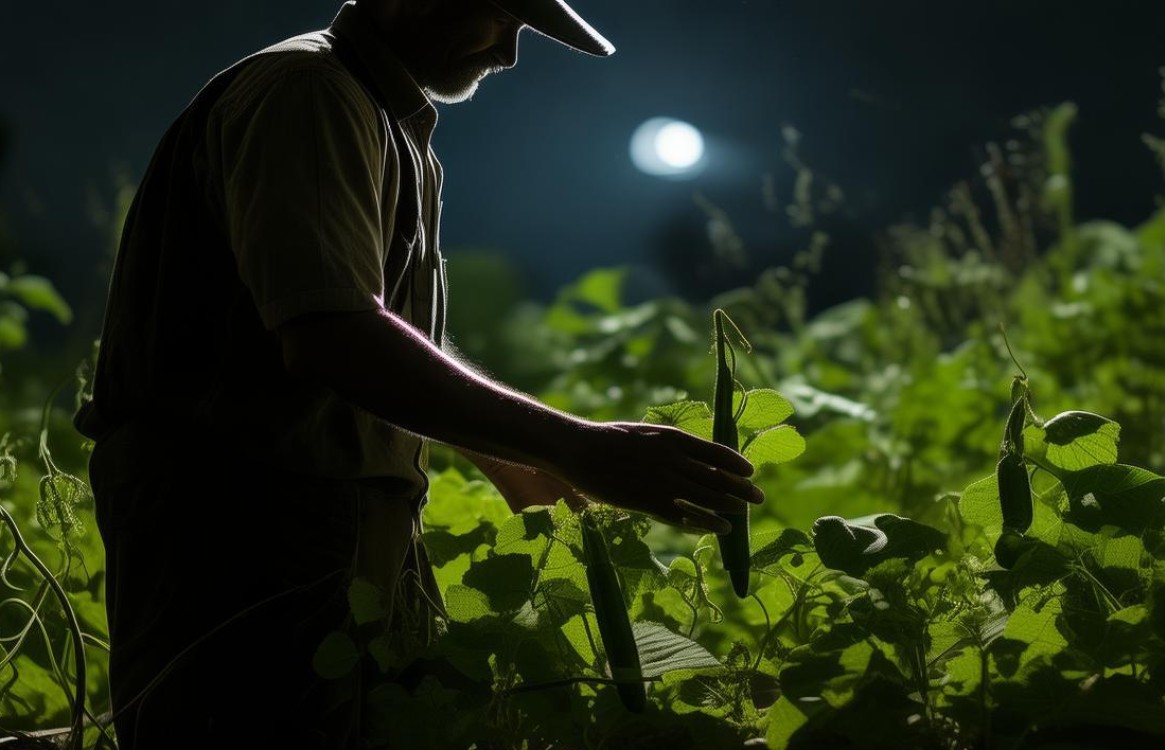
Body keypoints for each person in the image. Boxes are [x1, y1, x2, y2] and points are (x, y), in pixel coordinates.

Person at [73, 0, 763, 746]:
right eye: (497, 16)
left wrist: (513, 454)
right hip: (240, 528)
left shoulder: (391, 126)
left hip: (342, 529)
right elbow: (331, 333)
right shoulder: (306, 93)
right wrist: (572, 444)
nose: (507, 55)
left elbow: (382, 331)